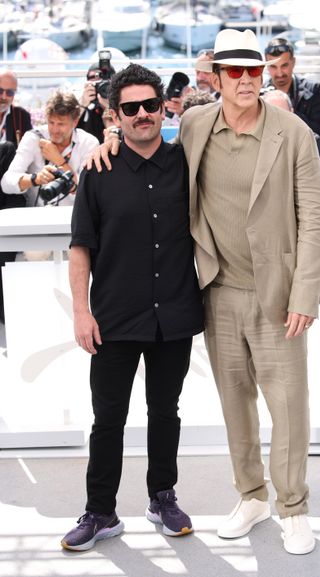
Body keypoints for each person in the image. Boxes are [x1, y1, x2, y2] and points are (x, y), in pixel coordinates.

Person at [89, 29, 320, 556]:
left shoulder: (292, 133)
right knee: (235, 405)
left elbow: (315, 217)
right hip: (217, 290)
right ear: (216, 79)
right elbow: (146, 134)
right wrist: (109, 139)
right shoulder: (196, 124)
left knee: (289, 407)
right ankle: (252, 496)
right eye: (235, 72)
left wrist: (305, 293)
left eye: (254, 71)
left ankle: (293, 507)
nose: (246, 80)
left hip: (280, 292)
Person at [61, 63, 204, 552]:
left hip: (175, 314)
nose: (142, 115)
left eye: (150, 105)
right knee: (108, 419)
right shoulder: (98, 169)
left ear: (164, 106)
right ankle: (100, 511)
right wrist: (81, 312)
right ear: (114, 114)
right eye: (130, 108)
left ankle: (162, 497)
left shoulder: (188, 162)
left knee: (166, 411)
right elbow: (80, 248)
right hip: (114, 318)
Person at [1, 90, 99, 208]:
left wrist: (59, 160)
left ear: (75, 122)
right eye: (51, 122)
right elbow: (6, 183)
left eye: (61, 124)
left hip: (73, 217)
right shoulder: (33, 137)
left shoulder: (89, 142)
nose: (55, 130)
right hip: (36, 216)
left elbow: (88, 192)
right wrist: (35, 179)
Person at [0, 68, 33, 323]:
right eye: (0, 91)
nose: (4, 96)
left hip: (10, 195)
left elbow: (25, 158)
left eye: (9, 92)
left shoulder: (21, 117)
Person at [263, 37, 320, 142]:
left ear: (293, 62)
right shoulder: (258, 94)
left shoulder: (314, 90)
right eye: (273, 67)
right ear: (267, 66)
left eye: (284, 65)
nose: (279, 73)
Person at [77, 62, 116, 143]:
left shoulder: (122, 105)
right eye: (96, 84)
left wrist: (108, 108)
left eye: (104, 85)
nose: (101, 88)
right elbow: (67, 129)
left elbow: (118, 136)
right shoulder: (81, 105)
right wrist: (82, 105)